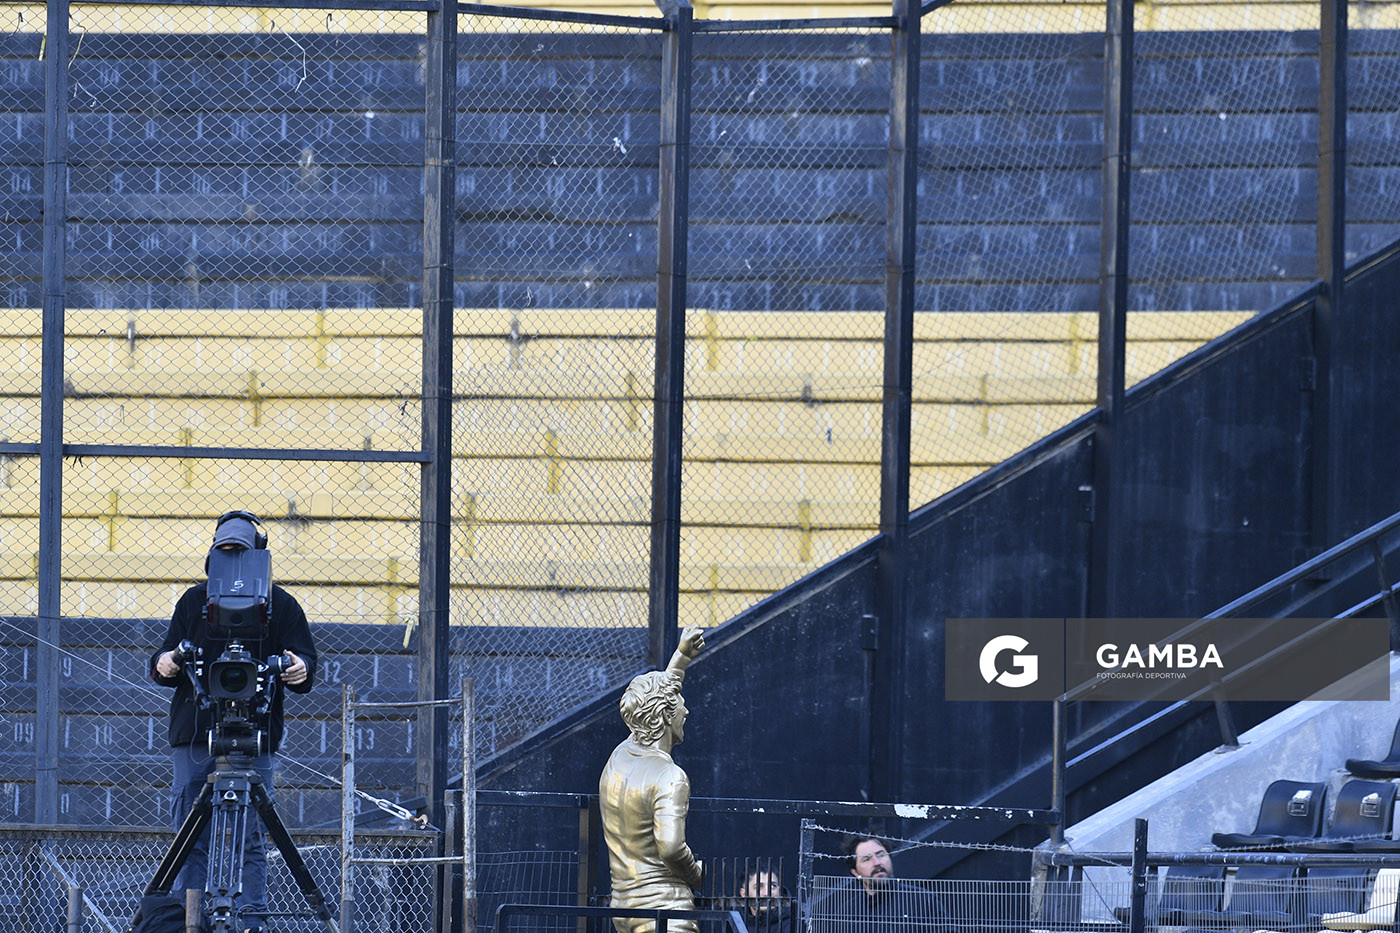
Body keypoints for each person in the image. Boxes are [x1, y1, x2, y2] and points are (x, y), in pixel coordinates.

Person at [149, 512, 318, 933]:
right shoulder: (193, 601)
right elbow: (164, 659)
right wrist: (166, 662)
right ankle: (190, 923)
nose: (233, 559)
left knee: (251, 837)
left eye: (240, 551)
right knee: (190, 837)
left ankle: (251, 922)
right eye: (226, 552)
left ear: (258, 556)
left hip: (254, 733)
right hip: (195, 731)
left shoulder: (282, 605)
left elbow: (305, 665)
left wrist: (298, 666)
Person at [599, 626, 706, 933]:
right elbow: (671, 848)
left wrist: (681, 657)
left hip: (622, 907)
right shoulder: (669, 776)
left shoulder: (618, 760)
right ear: (664, 715)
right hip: (665, 912)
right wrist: (698, 874)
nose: (685, 710)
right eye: (679, 705)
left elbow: (656, 699)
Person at [811, 834, 951, 931]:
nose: (877, 863)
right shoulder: (847, 912)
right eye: (867, 859)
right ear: (855, 872)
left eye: (880, 855)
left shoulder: (923, 900)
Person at [735, 868, 791, 932]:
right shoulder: (735, 922)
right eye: (759, 887)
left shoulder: (796, 924)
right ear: (744, 894)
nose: (767, 893)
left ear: (779, 891)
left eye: (773, 886)